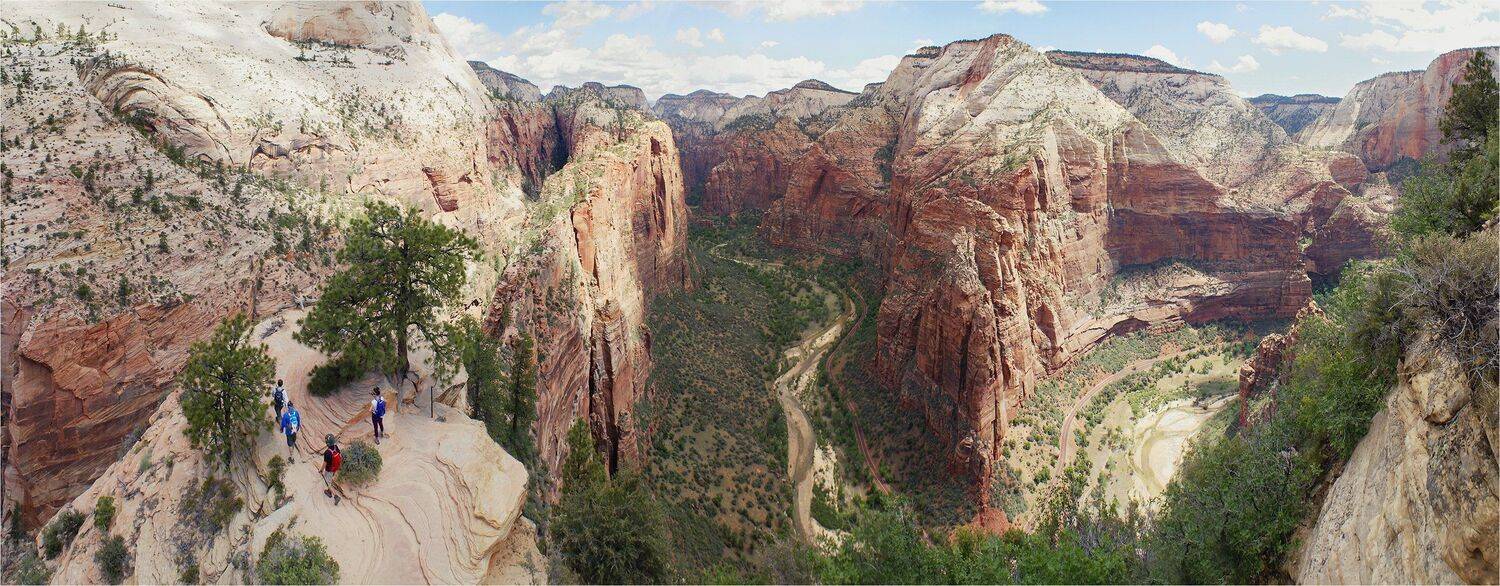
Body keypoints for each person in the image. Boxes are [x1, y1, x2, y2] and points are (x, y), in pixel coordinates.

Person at [321, 434, 342, 504]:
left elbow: (325, 463)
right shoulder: (336, 447)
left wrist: (321, 470)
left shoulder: (327, 452)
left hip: (329, 469)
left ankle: (335, 496)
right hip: (335, 468)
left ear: (327, 443)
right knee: (330, 477)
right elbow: (339, 454)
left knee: (328, 482)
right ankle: (330, 491)